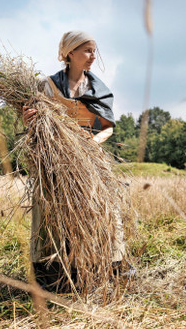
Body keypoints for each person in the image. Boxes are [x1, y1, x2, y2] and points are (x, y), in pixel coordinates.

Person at [22, 31, 126, 291]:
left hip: (90, 154)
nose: (93, 56)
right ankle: (49, 273)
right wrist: (28, 119)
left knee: (106, 203)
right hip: (55, 157)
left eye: (94, 51)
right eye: (87, 50)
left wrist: (89, 144)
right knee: (46, 204)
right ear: (70, 53)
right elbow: (34, 123)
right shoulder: (46, 85)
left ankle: (112, 264)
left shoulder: (98, 89)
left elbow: (107, 128)